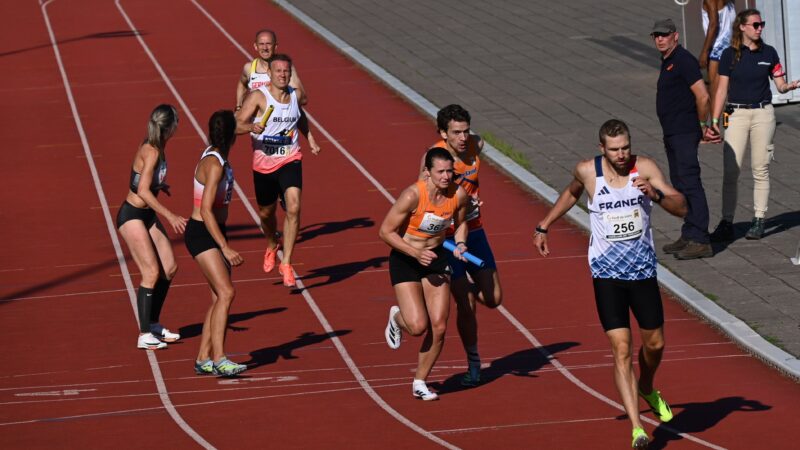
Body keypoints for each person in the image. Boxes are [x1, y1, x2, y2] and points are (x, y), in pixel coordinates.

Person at [533, 120, 687, 449]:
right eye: (614, 149)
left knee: (655, 345)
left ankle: (646, 385)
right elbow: (573, 191)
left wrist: (656, 195)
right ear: (602, 148)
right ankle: (637, 429)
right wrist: (544, 225)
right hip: (606, 275)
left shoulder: (644, 169)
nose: (621, 154)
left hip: (643, 273)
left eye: (626, 147)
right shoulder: (588, 171)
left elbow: (681, 207)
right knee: (621, 350)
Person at [420, 105, 503, 386]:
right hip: (447, 239)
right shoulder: (433, 159)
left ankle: (467, 285)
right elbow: (423, 197)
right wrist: (453, 206)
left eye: (466, 130)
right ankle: (474, 362)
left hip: (475, 232)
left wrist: (471, 205)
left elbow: (476, 145)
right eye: (456, 132)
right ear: (443, 134)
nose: (463, 137)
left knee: (493, 299)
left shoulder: (475, 145)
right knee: (465, 305)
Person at [380, 147, 469, 401]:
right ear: (427, 173)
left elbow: (461, 223)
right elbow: (385, 232)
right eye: (440, 172)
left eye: (449, 171)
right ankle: (397, 319)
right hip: (406, 257)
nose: (446, 176)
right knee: (418, 326)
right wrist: (414, 253)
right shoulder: (412, 195)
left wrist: (461, 244)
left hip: (436, 258)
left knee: (439, 326)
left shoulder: (457, 194)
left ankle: (420, 381)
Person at [707, 9, 800, 241]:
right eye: (756, 24)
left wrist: (788, 87)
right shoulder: (730, 55)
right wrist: (714, 121)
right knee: (731, 170)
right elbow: (721, 90)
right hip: (736, 114)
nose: (760, 28)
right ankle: (726, 221)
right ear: (743, 27)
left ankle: (759, 220)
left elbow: (779, 84)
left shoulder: (769, 53)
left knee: (760, 168)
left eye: (761, 25)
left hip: (762, 114)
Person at [235, 53, 321, 287]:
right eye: (278, 71)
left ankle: (287, 262)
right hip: (263, 164)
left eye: (286, 71)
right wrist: (252, 126)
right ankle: (272, 244)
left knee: (293, 207)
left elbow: (299, 117)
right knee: (266, 214)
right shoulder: (257, 98)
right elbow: (236, 125)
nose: (283, 75)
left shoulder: (295, 96)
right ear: (269, 75)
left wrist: (310, 138)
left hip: (290, 158)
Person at [116, 104, 186, 350]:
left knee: (169, 267)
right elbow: (141, 190)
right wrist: (170, 215)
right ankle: (144, 334)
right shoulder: (152, 151)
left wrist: (160, 186)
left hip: (145, 215)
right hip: (132, 215)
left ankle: (153, 323)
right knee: (151, 273)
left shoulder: (158, 147)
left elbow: (140, 180)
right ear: (170, 127)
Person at [185, 110, 247, 377]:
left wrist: (252, 126)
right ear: (232, 135)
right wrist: (224, 246)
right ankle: (220, 358)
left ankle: (202, 358)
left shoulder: (216, 152)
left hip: (214, 231)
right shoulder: (215, 164)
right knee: (227, 293)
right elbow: (207, 210)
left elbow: (239, 126)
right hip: (203, 232)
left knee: (217, 297)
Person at [651, 18, 715, 260]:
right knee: (679, 182)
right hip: (672, 133)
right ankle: (689, 232)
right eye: (656, 35)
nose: (660, 39)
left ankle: (701, 239)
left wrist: (701, 125)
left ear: (675, 36)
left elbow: (703, 96)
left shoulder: (683, 61)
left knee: (690, 183)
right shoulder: (668, 60)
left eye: (664, 35)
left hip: (685, 133)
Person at [235, 29, 307, 109]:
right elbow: (242, 84)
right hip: (257, 120)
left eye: (268, 44)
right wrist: (239, 106)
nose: (265, 48)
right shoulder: (249, 68)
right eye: (261, 44)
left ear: (275, 46)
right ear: (256, 46)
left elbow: (303, 99)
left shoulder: (285, 68)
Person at [700, 1, 736, 108]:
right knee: (729, 92)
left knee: (715, 93)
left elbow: (713, 24)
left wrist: (704, 52)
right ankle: (728, 122)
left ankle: (715, 124)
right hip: (731, 47)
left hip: (717, 51)